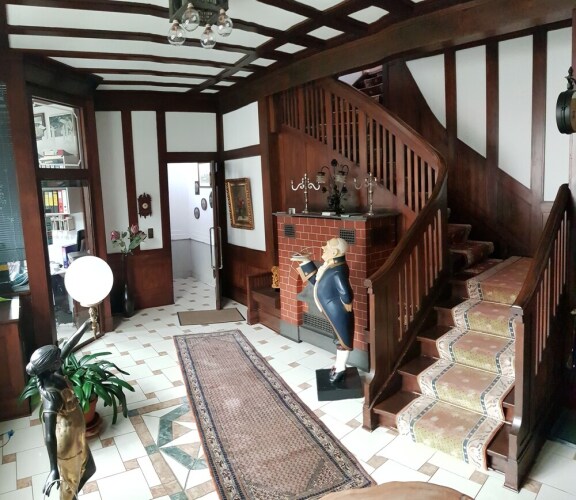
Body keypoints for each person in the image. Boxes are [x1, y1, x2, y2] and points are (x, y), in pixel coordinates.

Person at [26, 321, 96, 499]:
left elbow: (69, 345)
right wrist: (53, 469)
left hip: (76, 435)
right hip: (67, 443)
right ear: (51, 365)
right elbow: (49, 434)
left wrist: (86, 325)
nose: (61, 358)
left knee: (89, 469)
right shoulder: (51, 395)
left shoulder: (53, 372)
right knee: (69, 487)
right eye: (58, 358)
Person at [291, 237, 354, 383]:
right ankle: (339, 366)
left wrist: (346, 303)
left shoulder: (338, 270)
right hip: (331, 310)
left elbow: (346, 293)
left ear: (335, 252)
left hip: (337, 311)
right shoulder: (330, 266)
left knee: (342, 339)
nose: (323, 248)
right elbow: (315, 281)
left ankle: (340, 368)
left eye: (327, 246)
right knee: (338, 338)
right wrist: (305, 261)